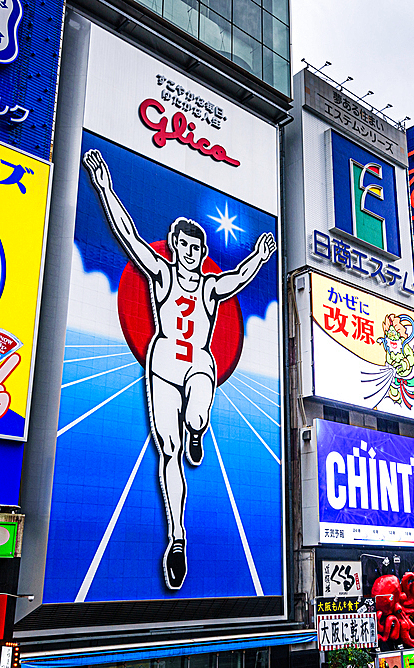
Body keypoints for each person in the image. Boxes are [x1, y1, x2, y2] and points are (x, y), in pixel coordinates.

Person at [83, 148, 276, 590]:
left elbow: (237, 279)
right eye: (181, 247)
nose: (187, 253)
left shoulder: (209, 286)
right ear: (174, 249)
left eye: (194, 248)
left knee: (196, 412)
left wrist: (259, 258)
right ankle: (177, 537)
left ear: (202, 251)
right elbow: (129, 237)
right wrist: (105, 187)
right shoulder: (162, 277)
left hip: (199, 363)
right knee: (167, 453)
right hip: (164, 363)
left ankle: (198, 427)